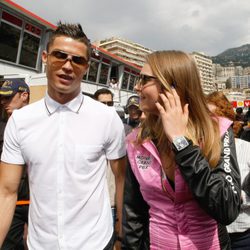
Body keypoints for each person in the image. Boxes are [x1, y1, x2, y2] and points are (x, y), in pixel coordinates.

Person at [0, 22, 126, 250]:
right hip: (41, 244)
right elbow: (6, 192)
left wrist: (120, 234)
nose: (68, 66)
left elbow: (121, 179)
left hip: (96, 243)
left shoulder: (106, 118)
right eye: (60, 56)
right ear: (45, 58)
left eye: (77, 60)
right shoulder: (20, 121)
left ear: (86, 67)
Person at [122, 50, 241, 249]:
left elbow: (227, 208)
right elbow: (133, 212)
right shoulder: (136, 140)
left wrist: (181, 142)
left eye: (144, 79)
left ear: (172, 86)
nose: (137, 86)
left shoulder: (217, 130)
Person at [207, 91, 250, 250]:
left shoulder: (246, 148)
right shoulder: (197, 152)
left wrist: (239, 197)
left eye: (215, 116)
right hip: (211, 237)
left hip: (243, 235)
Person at [0, 79, 30, 250]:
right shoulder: (2, 127)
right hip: (11, 202)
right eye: (2, 98)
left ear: (24, 96)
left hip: (38, 202)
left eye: (8, 98)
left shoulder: (42, 125)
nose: (4, 102)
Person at [93, 88, 123, 249]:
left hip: (111, 204)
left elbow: (122, 177)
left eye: (110, 103)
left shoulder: (120, 131)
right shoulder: (85, 131)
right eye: (102, 103)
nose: (106, 106)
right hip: (90, 206)